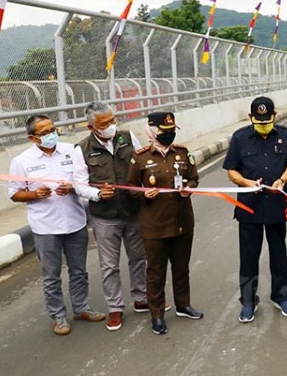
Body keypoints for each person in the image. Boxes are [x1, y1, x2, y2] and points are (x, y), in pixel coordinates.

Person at [8, 115, 105, 335]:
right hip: (46, 228)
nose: (51, 134)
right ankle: (58, 316)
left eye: (53, 129)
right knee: (51, 276)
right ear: (32, 138)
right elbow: (14, 193)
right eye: (45, 132)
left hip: (75, 222)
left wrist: (71, 188)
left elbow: (84, 182)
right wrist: (34, 194)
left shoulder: (71, 151)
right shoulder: (22, 161)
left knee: (79, 271)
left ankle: (81, 308)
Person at [72, 102, 155, 331]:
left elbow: (143, 165)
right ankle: (115, 309)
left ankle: (141, 298)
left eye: (112, 120)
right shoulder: (82, 149)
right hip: (105, 217)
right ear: (92, 127)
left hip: (133, 211)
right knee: (109, 265)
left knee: (138, 257)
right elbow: (79, 186)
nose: (110, 126)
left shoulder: (127, 138)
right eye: (104, 123)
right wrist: (98, 194)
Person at [223, 96, 287, 323]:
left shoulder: (286, 135)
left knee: (279, 254)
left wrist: (282, 180)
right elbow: (231, 170)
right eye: (259, 120)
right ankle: (248, 301)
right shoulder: (240, 138)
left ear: (274, 116)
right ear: (250, 118)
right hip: (249, 208)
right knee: (248, 257)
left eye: (267, 119)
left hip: (278, 206)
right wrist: (245, 182)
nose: (264, 124)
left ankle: (280, 296)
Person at [127, 112, 202, 335]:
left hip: (182, 221)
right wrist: (143, 194)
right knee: (156, 271)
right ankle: (157, 314)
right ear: (151, 130)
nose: (168, 135)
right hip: (155, 224)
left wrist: (190, 186)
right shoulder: (139, 158)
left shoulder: (182, 153)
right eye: (163, 131)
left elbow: (194, 177)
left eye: (171, 131)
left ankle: (183, 305)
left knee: (181, 267)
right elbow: (130, 188)